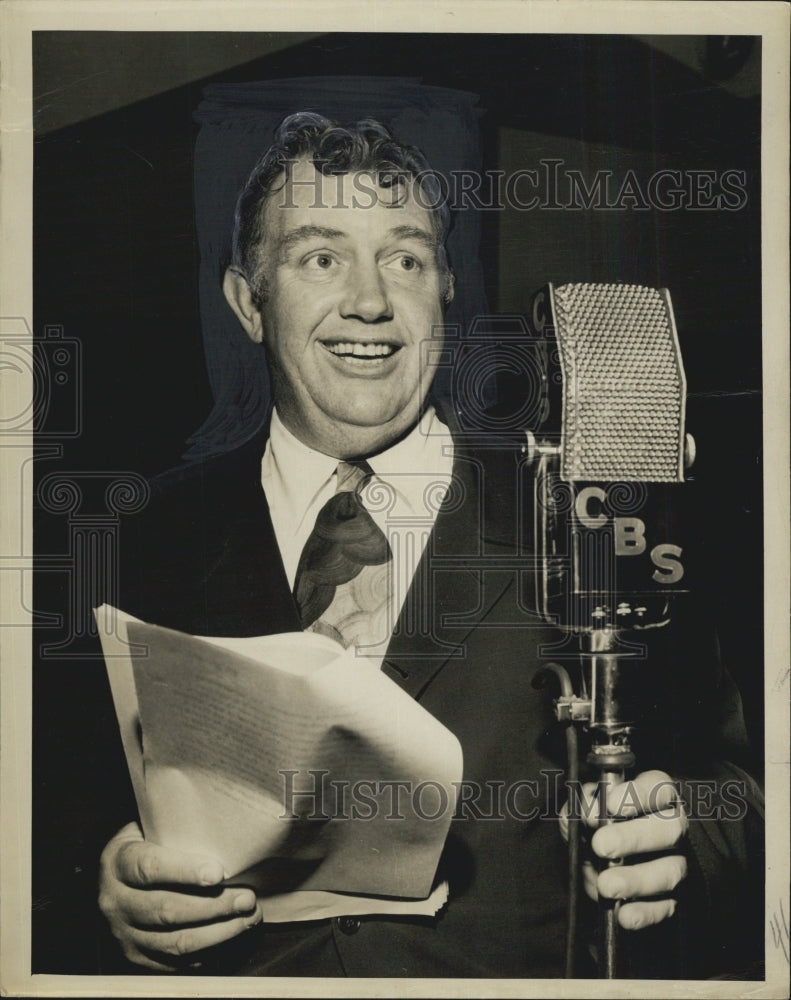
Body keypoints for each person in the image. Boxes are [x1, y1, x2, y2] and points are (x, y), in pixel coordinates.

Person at [96, 113, 763, 978]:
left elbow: (733, 788)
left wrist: (682, 837)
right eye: (320, 257)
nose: (370, 300)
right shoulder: (146, 535)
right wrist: (113, 885)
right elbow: (66, 822)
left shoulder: (590, 508)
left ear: (446, 286)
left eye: (405, 257)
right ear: (246, 301)